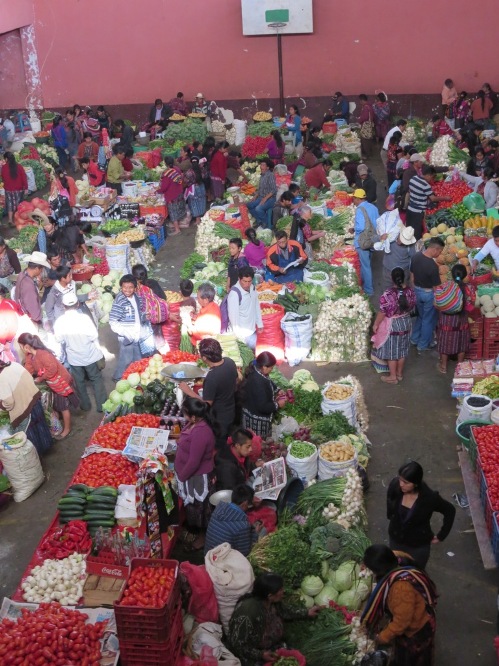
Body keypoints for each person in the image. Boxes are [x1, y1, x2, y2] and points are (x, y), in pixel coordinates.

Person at [361, 544, 438, 666]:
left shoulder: (400, 588)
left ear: (380, 570)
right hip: (420, 612)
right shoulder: (397, 558)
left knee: (411, 660)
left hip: (417, 630)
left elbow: (402, 622)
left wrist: (382, 637)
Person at [227, 572, 320, 666]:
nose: (283, 591)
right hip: (251, 654)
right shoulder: (247, 612)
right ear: (270, 595)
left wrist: (307, 612)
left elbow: (285, 611)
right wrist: (260, 654)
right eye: (280, 590)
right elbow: (237, 644)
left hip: (270, 646)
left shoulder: (270, 601)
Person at [387, 461, 456, 568]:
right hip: (396, 540)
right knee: (395, 569)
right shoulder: (395, 485)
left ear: (416, 484)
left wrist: (441, 535)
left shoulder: (429, 498)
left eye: (406, 482)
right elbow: (390, 499)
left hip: (417, 545)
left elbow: (450, 510)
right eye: (400, 479)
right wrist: (390, 515)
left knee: (415, 572)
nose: (401, 484)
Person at [174, 396, 216, 552]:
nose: (183, 415)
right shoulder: (194, 424)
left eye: (185, 413)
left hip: (197, 477)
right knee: (193, 508)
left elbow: (194, 461)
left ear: (193, 416)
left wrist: (181, 477)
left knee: (201, 509)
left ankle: (203, 537)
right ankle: (194, 530)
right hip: (189, 475)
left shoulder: (201, 432)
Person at [18, 332, 79, 440]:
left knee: (63, 407)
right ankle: (61, 423)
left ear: (26, 346)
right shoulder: (30, 356)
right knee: (57, 405)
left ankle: (67, 429)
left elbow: (52, 369)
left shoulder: (43, 354)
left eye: (21, 346)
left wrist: (40, 378)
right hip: (53, 383)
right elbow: (29, 369)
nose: (21, 349)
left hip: (62, 382)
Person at [180, 338, 238, 451]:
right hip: (231, 410)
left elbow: (206, 405)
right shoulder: (229, 362)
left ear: (204, 358)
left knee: (219, 446)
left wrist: (189, 391)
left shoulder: (212, 378)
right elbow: (235, 380)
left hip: (219, 418)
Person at [54, 292, 106, 412]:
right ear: (78, 304)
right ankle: (102, 406)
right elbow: (94, 335)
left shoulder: (60, 322)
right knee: (96, 379)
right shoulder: (84, 319)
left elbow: (59, 339)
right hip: (90, 355)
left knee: (79, 382)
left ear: (63, 305)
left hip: (74, 359)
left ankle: (85, 405)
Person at [372, 268, 417, 384]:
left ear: (392, 278)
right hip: (406, 322)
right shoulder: (410, 292)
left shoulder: (388, 294)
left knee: (392, 352)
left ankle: (392, 377)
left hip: (393, 326)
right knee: (402, 351)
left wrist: (376, 324)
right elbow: (412, 306)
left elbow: (382, 312)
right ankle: (399, 374)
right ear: (403, 278)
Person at [0, 359, 53, 454]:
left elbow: (9, 403)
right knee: (41, 425)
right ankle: (47, 446)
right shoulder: (14, 364)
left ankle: (39, 454)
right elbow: (29, 377)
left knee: (31, 433)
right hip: (34, 400)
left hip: (24, 409)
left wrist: (2, 405)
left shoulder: (1, 378)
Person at [109, 274, 154, 382]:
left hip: (137, 335)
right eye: (124, 287)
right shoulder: (120, 301)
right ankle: (118, 377)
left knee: (138, 359)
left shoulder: (138, 298)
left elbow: (139, 313)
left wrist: (144, 316)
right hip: (127, 337)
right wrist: (125, 332)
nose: (127, 290)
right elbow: (113, 321)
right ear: (121, 287)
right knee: (125, 360)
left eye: (130, 287)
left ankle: (135, 378)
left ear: (135, 288)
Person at [437, 264, 475, 374]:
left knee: (445, 340)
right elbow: (472, 304)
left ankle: (443, 366)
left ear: (452, 275)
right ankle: (460, 367)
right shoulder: (469, 288)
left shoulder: (446, 285)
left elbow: (438, 300)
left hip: (447, 319)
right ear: (465, 275)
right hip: (462, 318)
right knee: (462, 342)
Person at [239, 351, 285, 438]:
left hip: (250, 410)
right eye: (271, 367)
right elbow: (263, 407)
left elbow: (268, 380)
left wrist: (277, 389)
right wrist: (278, 404)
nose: (272, 370)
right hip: (256, 420)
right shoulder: (258, 382)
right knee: (258, 441)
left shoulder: (256, 369)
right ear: (264, 367)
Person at [410, 237, 444, 352]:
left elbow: (412, 276)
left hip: (417, 291)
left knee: (420, 316)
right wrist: (439, 300)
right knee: (428, 320)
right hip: (428, 294)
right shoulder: (433, 267)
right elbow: (436, 288)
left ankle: (414, 339)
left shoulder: (416, 257)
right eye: (440, 252)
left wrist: (414, 289)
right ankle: (423, 345)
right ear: (435, 249)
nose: (439, 254)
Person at [204, 484, 259, 556]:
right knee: (262, 532)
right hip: (219, 563)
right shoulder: (242, 526)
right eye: (250, 504)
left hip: (208, 556)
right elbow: (244, 553)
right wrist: (255, 534)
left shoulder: (218, 509)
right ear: (244, 503)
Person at [406, 165, 452, 240]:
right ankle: (415, 246)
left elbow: (410, 191)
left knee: (409, 228)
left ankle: (407, 241)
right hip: (418, 211)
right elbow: (433, 199)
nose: (432, 179)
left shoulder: (413, 178)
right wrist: (445, 198)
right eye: (432, 177)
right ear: (428, 175)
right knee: (417, 232)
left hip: (410, 208)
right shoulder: (426, 185)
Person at [353, 189, 381, 297]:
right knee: (367, 262)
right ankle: (366, 284)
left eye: (354, 198)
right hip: (373, 239)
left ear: (358, 199)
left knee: (365, 266)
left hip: (363, 241)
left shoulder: (360, 209)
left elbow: (360, 227)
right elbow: (378, 222)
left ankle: (369, 290)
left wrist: (354, 228)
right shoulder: (373, 207)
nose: (353, 200)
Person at [227, 266, 263, 350]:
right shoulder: (234, 294)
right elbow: (233, 318)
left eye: (249, 281)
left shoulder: (252, 288)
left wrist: (259, 323)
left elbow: (256, 306)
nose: (247, 284)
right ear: (239, 279)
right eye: (244, 281)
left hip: (252, 329)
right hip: (243, 335)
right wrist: (239, 337)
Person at [14, 251, 51, 329]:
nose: (41, 271)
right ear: (37, 268)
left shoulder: (23, 274)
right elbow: (33, 310)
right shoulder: (28, 286)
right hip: (31, 320)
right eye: (42, 269)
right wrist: (39, 321)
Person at [376, 224, 417, 290]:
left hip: (403, 274)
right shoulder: (390, 236)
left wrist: (412, 277)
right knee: (387, 291)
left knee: (402, 291)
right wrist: (380, 238)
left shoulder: (411, 246)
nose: (400, 242)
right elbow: (373, 239)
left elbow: (414, 259)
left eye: (404, 242)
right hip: (388, 272)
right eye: (401, 239)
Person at [158, 155, 187, 236]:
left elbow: (164, 187)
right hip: (179, 192)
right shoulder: (177, 169)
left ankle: (177, 229)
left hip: (172, 195)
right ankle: (178, 224)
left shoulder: (166, 173)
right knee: (179, 208)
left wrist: (158, 191)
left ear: (165, 163)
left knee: (173, 211)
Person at [187, 283, 222, 347]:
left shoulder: (209, 316)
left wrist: (190, 328)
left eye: (198, 298)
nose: (197, 300)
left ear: (205, 300)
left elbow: (200, 334)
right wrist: (196, 316)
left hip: (204, 346)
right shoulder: (213, 305)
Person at [247, 158, 277, 229]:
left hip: (271, 198)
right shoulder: (262, 175)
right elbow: (260, 189)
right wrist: (255, 196)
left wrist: (265, 198)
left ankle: (267, 223)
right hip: (261, 197)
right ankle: (259, 220)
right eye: (261, 165)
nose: (261, 166)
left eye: (263, 165)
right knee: (249, 205)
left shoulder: (270, 175)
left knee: (258, 209)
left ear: (267, 167)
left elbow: (274, 190)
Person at [1, 152, 28, 226]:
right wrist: (26, 187)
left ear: (6, 159)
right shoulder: (19, 166)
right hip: (18, 189)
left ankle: (10, 220)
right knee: (18, 204)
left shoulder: (3, 167)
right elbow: (24, 177)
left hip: (8, 189)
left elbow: (3, 177)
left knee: (10, 204)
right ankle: (18, 219)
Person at [0, 278, 22, 363]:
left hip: (12, 342)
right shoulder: (7, 303)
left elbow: (12, 327)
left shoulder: (6, 306)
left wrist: (5, 343)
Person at [184, 156, 207, 224]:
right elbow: (205, 176)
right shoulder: (202, 170)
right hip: (201, 187)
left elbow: (186, 181)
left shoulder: (189, 172)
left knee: (194, 203)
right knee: (201, 201)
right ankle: (201, 217)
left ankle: (197, 220)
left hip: (193, 189)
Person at [357, 94, 375, 158]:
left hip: (366, 127)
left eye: (360, 101)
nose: (360, 102)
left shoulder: (366, 107)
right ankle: (369, 152)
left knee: (365, 140)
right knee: (369, 139)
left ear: (362, 100)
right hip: (370, 126)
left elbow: (365, 117)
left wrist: (359, 120)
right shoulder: (370, 106)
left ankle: (367, 155)